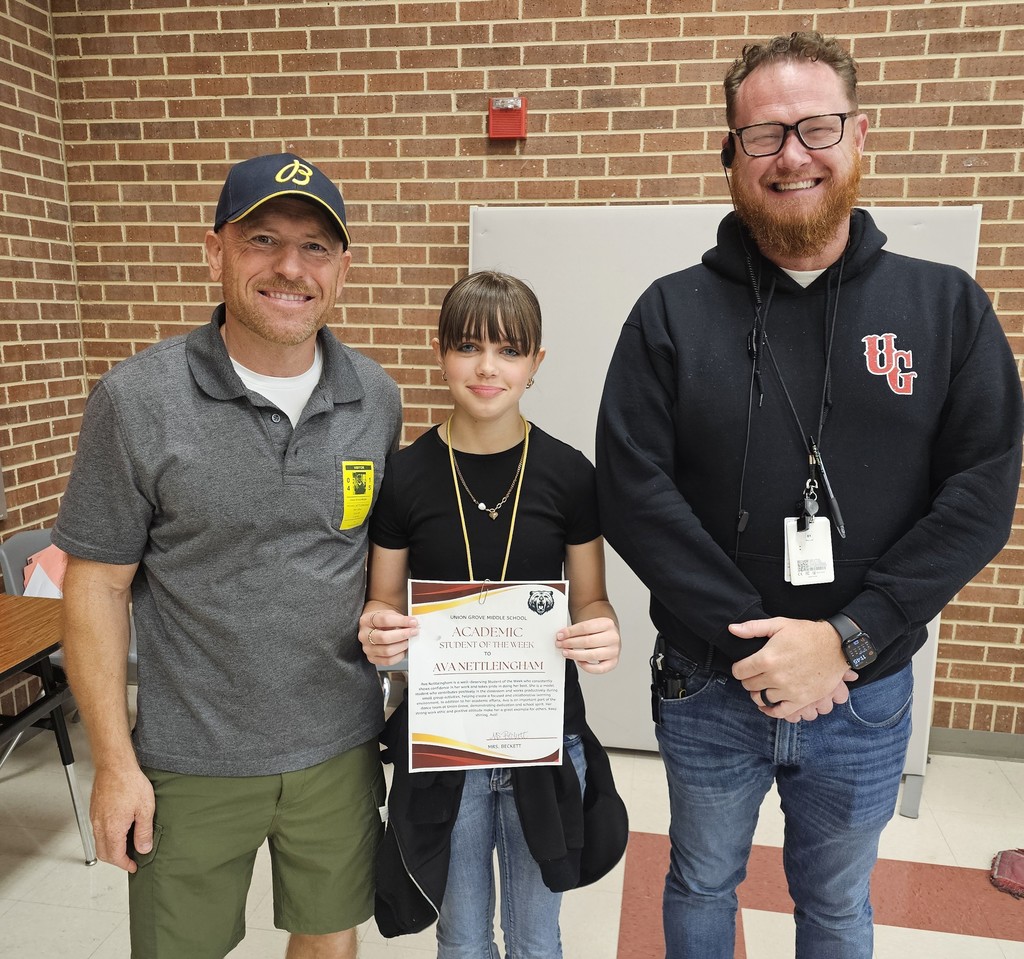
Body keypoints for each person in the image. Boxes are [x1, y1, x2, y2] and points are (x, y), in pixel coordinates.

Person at [596, 31, 1023, 959]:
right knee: (702, 877)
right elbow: (634, 491)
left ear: (859, 135)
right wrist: (757, 641)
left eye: (815, 126)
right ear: (732, 156)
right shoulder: (668, 312)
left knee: (835, 900)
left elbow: (981, 493)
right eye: (763, 134)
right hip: (709, 680)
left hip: (864, 692)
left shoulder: (947, 308)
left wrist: (845, 640)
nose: (792, 154)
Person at [52, 153, 402, 959]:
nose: (290, 266)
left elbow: (377, 560)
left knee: (328, 935)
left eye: (316, 247)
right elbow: (96, 589)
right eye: (263, 239)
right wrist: (113, 763)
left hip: (338, 745)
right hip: (189, 758)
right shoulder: (138, 400)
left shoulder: (375, 398)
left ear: (342, 268)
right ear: (215, 252)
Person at [360, 270, 627, 959]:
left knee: (538, 936)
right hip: (444, 741)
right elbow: (384, 602)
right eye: (468, 346)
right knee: (463, 935)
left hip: (543, 736)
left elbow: (590, 594)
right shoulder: (407, 476)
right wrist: (380, 631)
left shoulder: (570, 475)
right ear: (439, 351)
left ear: (536, 363)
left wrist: (602, 627)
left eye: (508, 350)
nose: (486, 367)